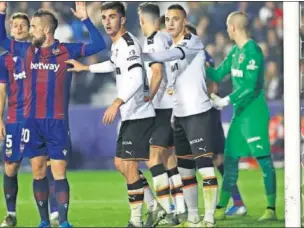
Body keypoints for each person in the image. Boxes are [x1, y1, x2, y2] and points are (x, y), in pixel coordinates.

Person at [0, 2, 106, 227]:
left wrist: (85, 19)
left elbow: (99, 44)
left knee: (59, 172)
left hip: (56, 122)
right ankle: (44, 221)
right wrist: (1, 13)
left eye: (33, 26)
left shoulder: (66, 50)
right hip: (32, 123)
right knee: (37, 171)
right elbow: (0, 40)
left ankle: (64, 222)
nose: (30, 30)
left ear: (46, 30)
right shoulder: (27, 50)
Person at [65, 2, 156, 227]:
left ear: (122, 20)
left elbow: (136, 77)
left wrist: (117, 101)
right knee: (121, 164)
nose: (107, 21)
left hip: (139, 113)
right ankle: (154, 205)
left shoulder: (128, 44)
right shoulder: (117, 45)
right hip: (130, 114)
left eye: (112, 17)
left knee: (129, 165)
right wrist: (86, 68)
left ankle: (136, 220)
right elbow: (112, 65)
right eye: (104, 17)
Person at [141, 4, 219, 227]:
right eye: (168, 20)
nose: (171, 23)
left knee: (205, 167)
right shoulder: (173, 48)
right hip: (181, 117)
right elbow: (173, 84)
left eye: (176, 19)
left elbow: (172, 54)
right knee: (185, 172)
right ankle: (193, 216)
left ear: (184, 22)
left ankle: (210, 218)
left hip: (198, 114)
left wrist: (141, 55)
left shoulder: (192, 41)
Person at [206, 11, 277, 221]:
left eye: (228, 27)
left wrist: (225, 100)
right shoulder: (235, 53)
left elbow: (250, 86)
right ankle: (221, 207)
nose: (227, 30)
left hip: (254, 113)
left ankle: (271, 209)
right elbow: (218, 74)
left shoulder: (253, 51)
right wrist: (199, 63)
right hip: (240, 114)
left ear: (233, 27)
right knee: (229, 161)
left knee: (263, 159)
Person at [0, 12, 60, 227]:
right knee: (10, 167)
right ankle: (11, 214)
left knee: (40, 166)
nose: (20, 28)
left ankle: (50, 215)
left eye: (24, 24)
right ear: (11, 30)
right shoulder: (4, 58)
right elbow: (1, 90)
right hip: (14, 118)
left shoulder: (37, 52)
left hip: (36, 118)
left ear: (30, 29)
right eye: (15, 25)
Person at [185, 24, 248, 217]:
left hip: (206, 113)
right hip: (203, 112)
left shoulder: (200, 56)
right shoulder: (196, 55)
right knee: (211, 159)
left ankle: (187, 205)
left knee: (209, 158)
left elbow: (212, 85)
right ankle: (236, 202)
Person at [138, 3, 185, 226]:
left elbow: (157, 72)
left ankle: (167, 211)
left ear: (142, 19)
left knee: (153, 160)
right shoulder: (160, 38)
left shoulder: (156, 39)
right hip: (167, 106)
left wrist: (147, 98)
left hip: (161, 107)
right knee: (167, 159)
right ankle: (179, 208)